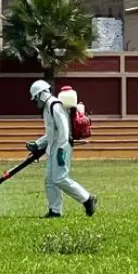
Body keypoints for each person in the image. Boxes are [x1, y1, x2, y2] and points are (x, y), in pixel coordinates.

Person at [26, 80, 97, 219]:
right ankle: (55, 211)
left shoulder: (55, 106)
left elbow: (64, 130)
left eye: (35, 99)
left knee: (59, 178)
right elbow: (52, 133)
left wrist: (61, 150)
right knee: (49, 180)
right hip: (53, 148)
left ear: (41, 94)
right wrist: (37, 144)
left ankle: (87, 199)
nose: (35, 103)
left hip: (62, 147)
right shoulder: (48, 107)